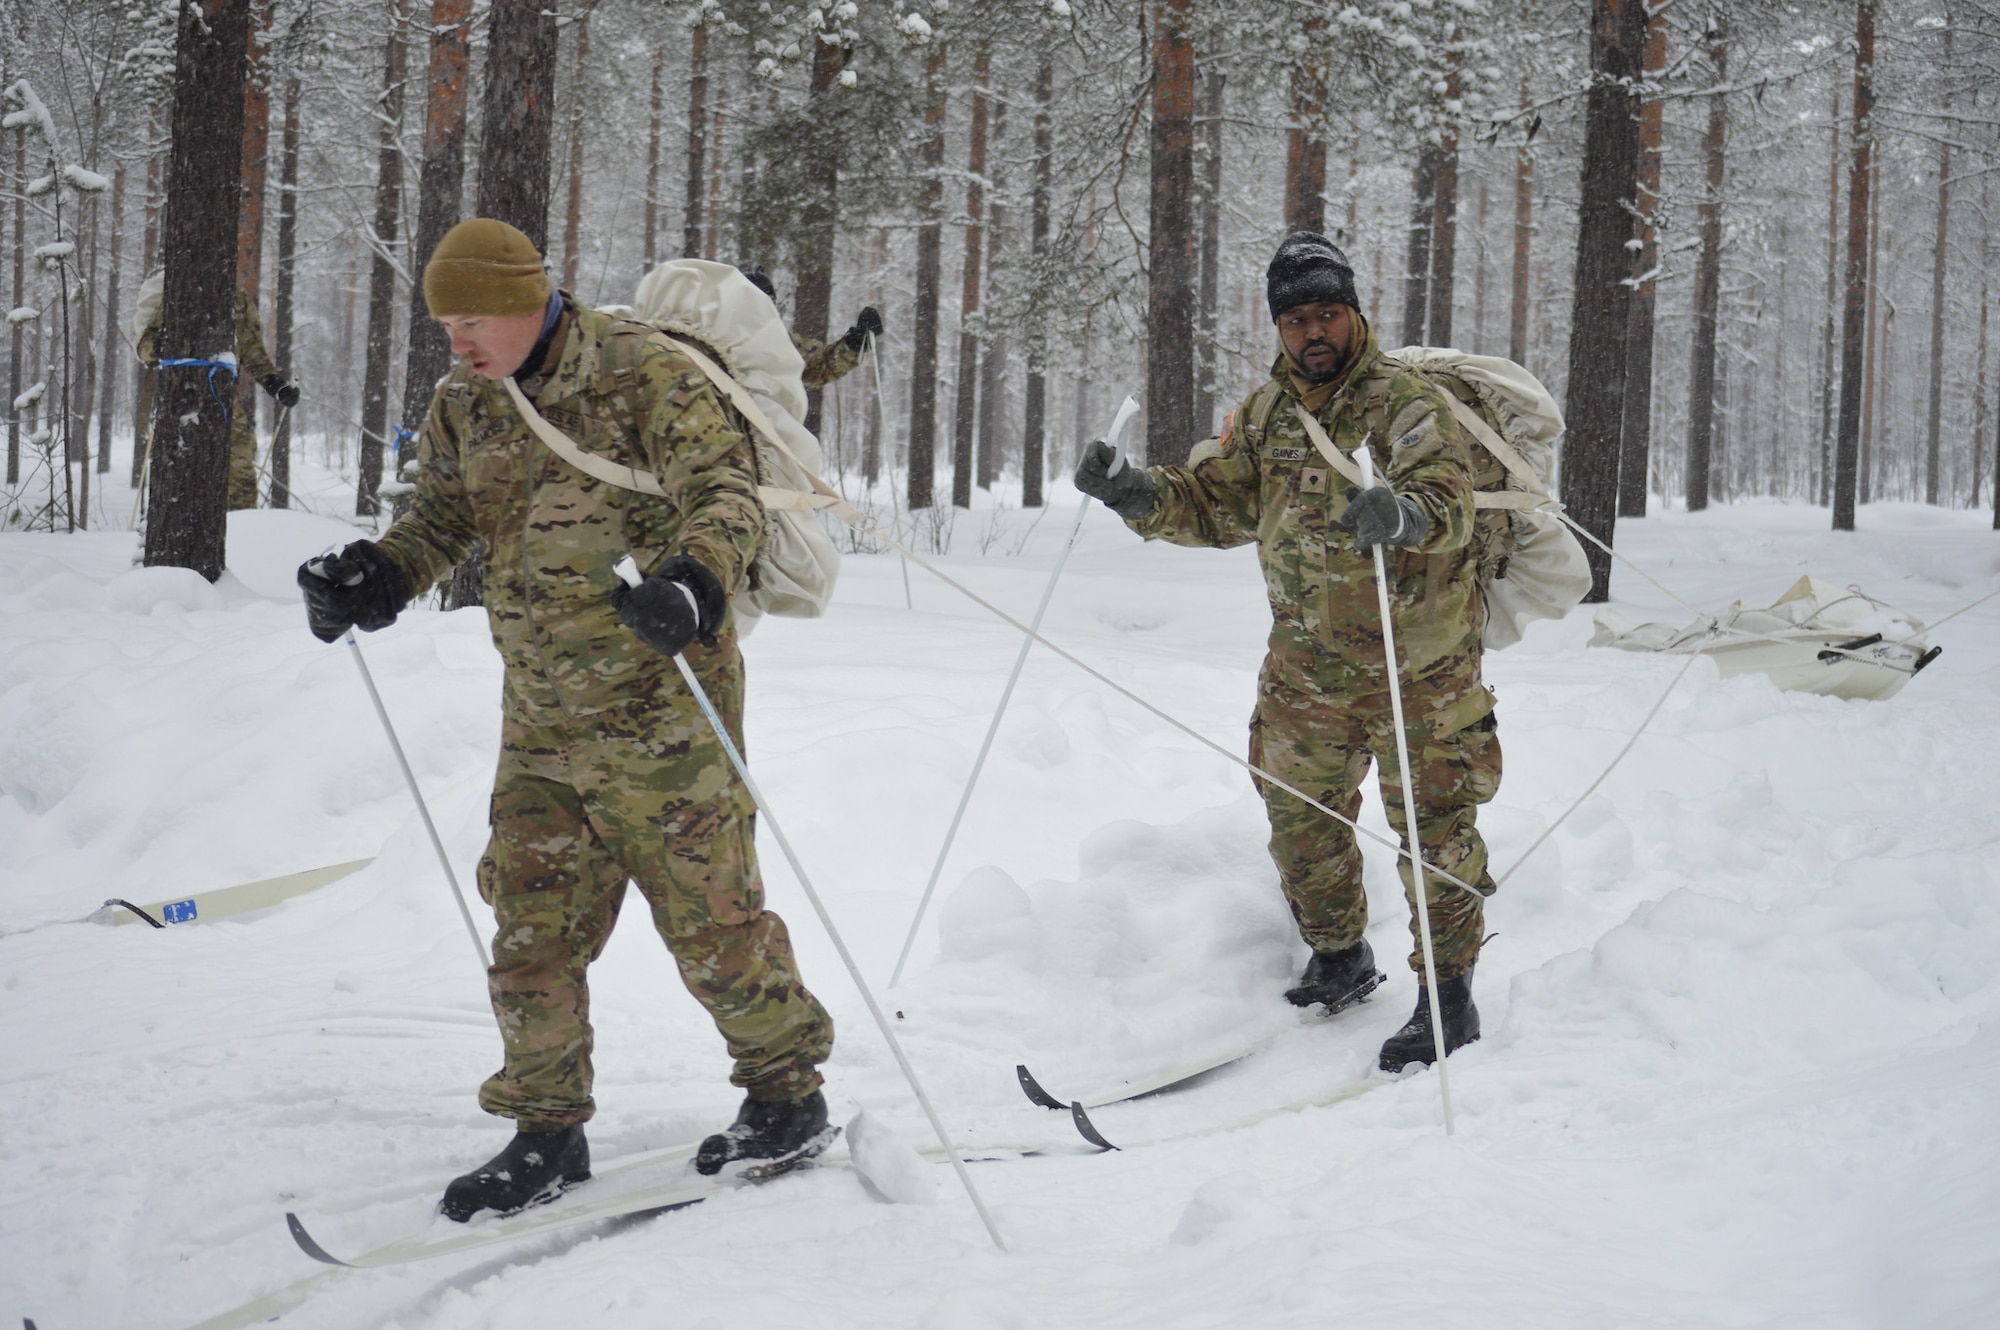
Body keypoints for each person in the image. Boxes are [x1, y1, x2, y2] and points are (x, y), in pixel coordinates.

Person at [296, 219, 836, 1220]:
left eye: (470, 319)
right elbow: (445, 519)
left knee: (713, 931)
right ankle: (545, 1131)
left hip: (664, 712)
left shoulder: (643, 374)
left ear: (527, 297)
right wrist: (379, 574)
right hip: (541, 719)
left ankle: (786, 1095)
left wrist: (693, 581)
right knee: (529, 932)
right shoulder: (466, 403)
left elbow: (721, 490)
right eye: (443, 322)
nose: (455, 340)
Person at [1073, 232, 1502, 1073]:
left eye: (1328, 313)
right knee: (1299, 822)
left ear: (1354, 314)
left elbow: (1446, 494)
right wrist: (1133, 491)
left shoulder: (1403, 401)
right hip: (1307, 671)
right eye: (1297, 317)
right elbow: (1213, 504)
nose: (1315, 332)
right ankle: (1341, 955)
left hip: (1420, 670)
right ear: (1277, 327)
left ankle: (1448, 994)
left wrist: (1406, 516)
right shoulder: (1267, 418)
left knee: (1435, 832)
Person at [135, 277, 298, 510]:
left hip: (224, 399)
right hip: (179, 399)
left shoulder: (235, 298)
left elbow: (250, 346)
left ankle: (240, 527)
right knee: (182, 476)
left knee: (240, 469)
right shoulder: (177, 292)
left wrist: (274, 383)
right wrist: (161, 345)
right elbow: (144, 347)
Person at [736, 263, 882, 389]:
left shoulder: (778, 344)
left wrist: (854, 343)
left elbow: (820, 367)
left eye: (768, 305)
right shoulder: (716, 339)